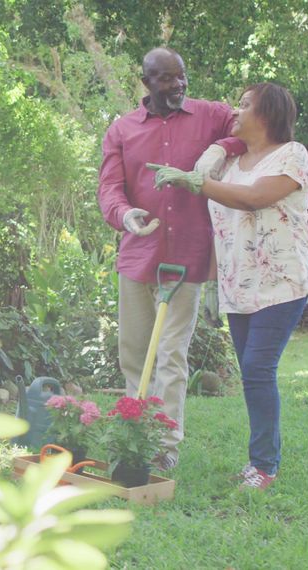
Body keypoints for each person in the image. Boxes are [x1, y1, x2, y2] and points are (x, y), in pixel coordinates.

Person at [149, 82, 308, 490]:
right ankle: (260, 462)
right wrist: (220, 149)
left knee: (258, 369)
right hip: (238, 286)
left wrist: (197, 183)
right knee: (251, 372)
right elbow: (209, 185)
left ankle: (263, 467)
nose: (235, 112)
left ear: (268, 115)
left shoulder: (292, 156)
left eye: (244, 105)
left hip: (281, 282)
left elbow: (255, 198)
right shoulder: (226, 166)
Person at [97, 47, 241, 472]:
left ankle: (165, 447)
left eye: (182, 77)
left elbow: (248, 125)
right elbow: (108, 189)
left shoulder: (210, 114)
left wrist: (221, 148)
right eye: (166, 79)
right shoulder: (122, 130)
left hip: (187, 257)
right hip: (139, 255)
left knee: (172, 354)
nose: (178, 85)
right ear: (146, 82)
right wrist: (125, 215)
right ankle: (135, 437)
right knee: (135, 353)